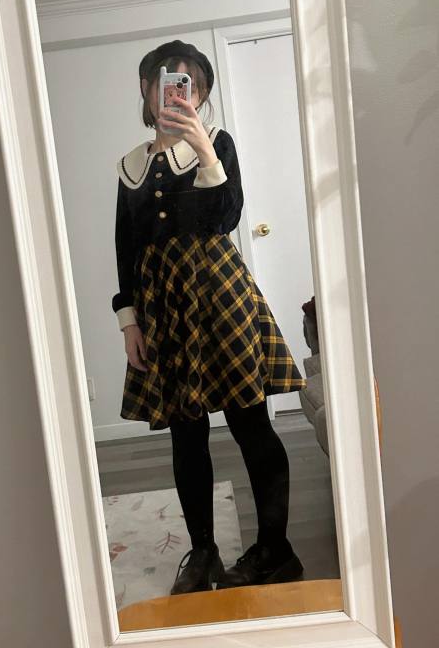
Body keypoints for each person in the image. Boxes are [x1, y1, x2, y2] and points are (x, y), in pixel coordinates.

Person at [111, 39, 307, 594]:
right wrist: (129, 320)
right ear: (147, 90)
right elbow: (125, 246)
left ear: (200, 96)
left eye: (190, 87)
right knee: (185, 433)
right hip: (162, 308)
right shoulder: (129, 167)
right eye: (168, 83)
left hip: (220, 296)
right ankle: (202, 553)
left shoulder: (216, 143)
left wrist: (202, 149)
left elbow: (225, 217)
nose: (178, 94)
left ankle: (277, 551)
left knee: (251, 423)